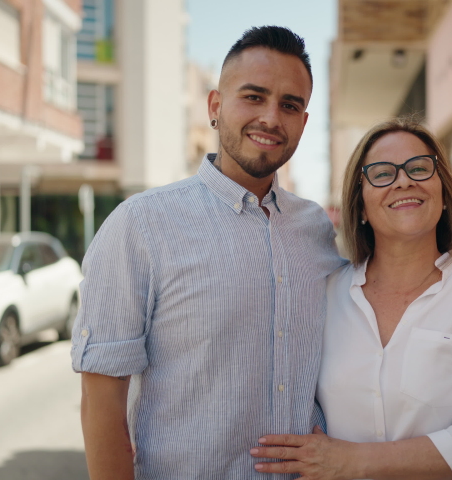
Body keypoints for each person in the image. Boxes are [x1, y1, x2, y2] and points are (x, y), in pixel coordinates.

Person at [71, 26, 344, 480]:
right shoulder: (140, 226)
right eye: (253, 97)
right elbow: (101, 405)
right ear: (215, 107)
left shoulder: (315, 228)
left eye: (290, 105)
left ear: (303, 122)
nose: (272, 118)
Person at [251, 118, 452, 480]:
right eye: (382, 173)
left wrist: (348, 462)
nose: (403, 180)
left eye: (420, 168)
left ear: (443, 195)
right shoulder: (325, 295)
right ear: (361, 206)